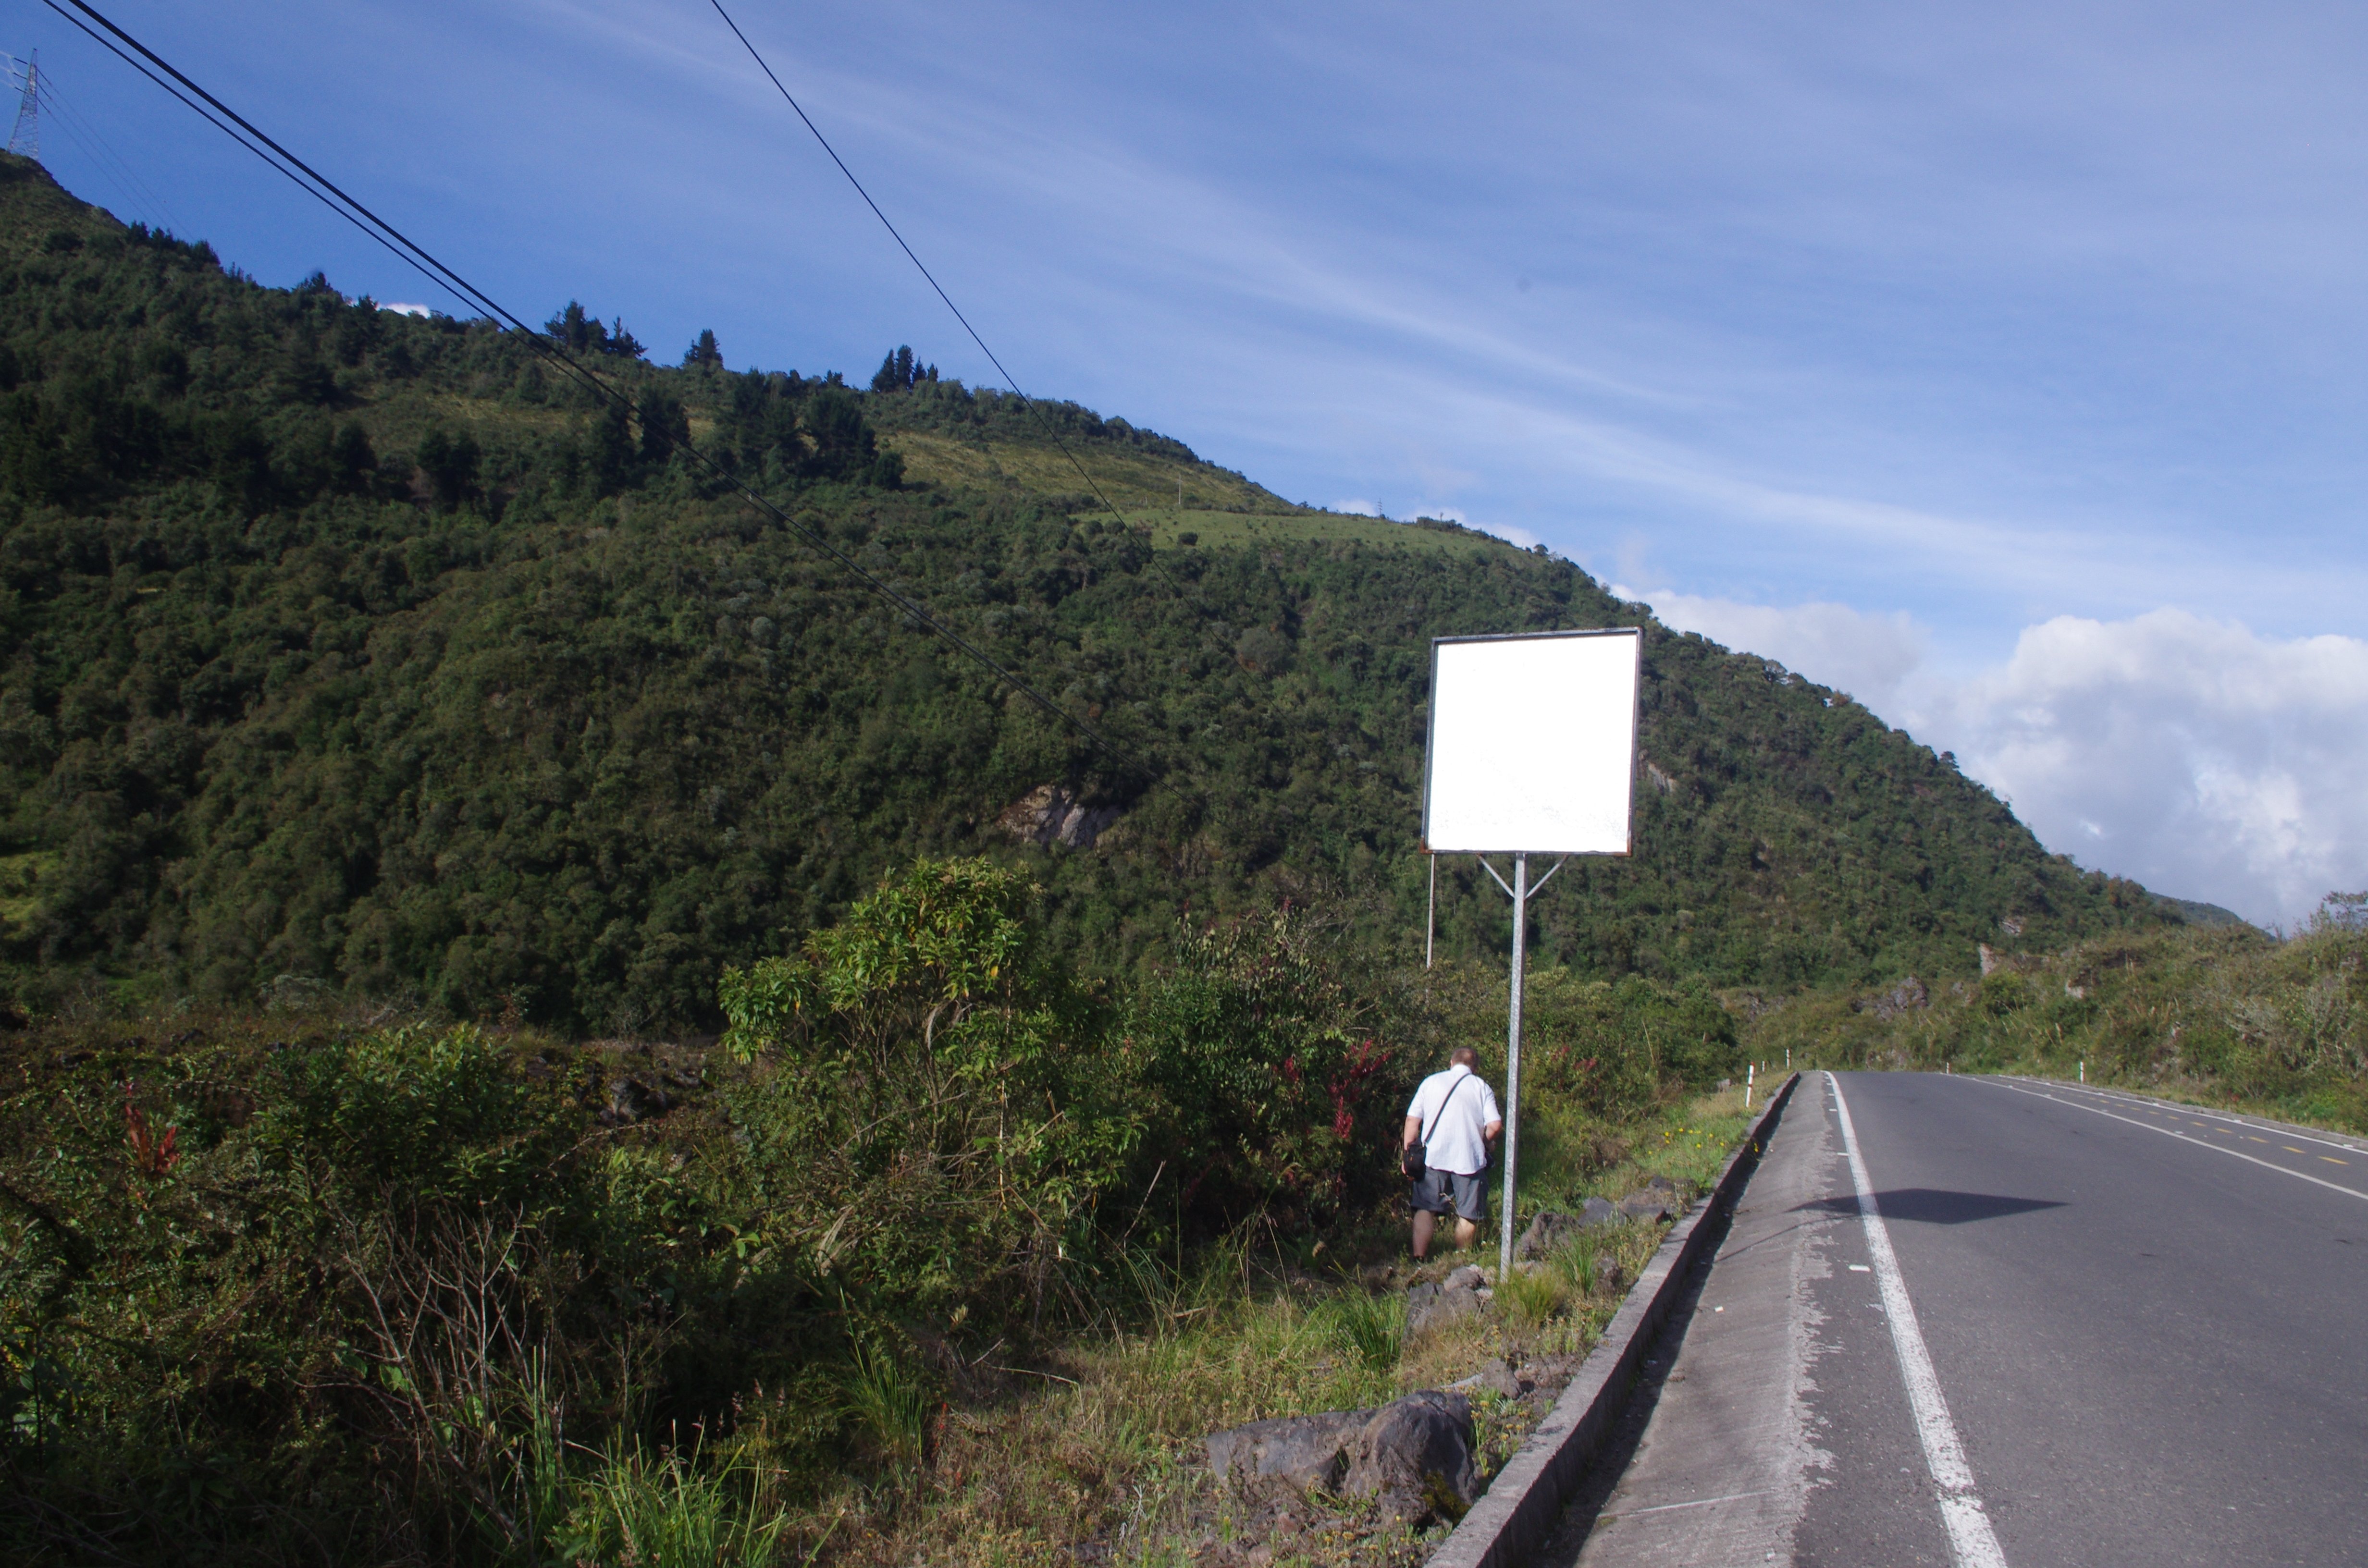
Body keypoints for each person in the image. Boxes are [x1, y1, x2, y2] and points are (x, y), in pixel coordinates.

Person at [1402, 1045, 1504, 1259]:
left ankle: (1419, 1257)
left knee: (1425, 1208)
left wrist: (1408, 1155)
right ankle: (1461, 1257)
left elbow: (1412, 1121)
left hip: (1433, 1158)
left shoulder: (1431, 1082)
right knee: (1468, 1213)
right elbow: (1495, 1125)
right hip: (1469, 1159)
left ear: (1451, 1063)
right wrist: (1485, 1142)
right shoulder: (1481, 1087)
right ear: (1475, 1067)